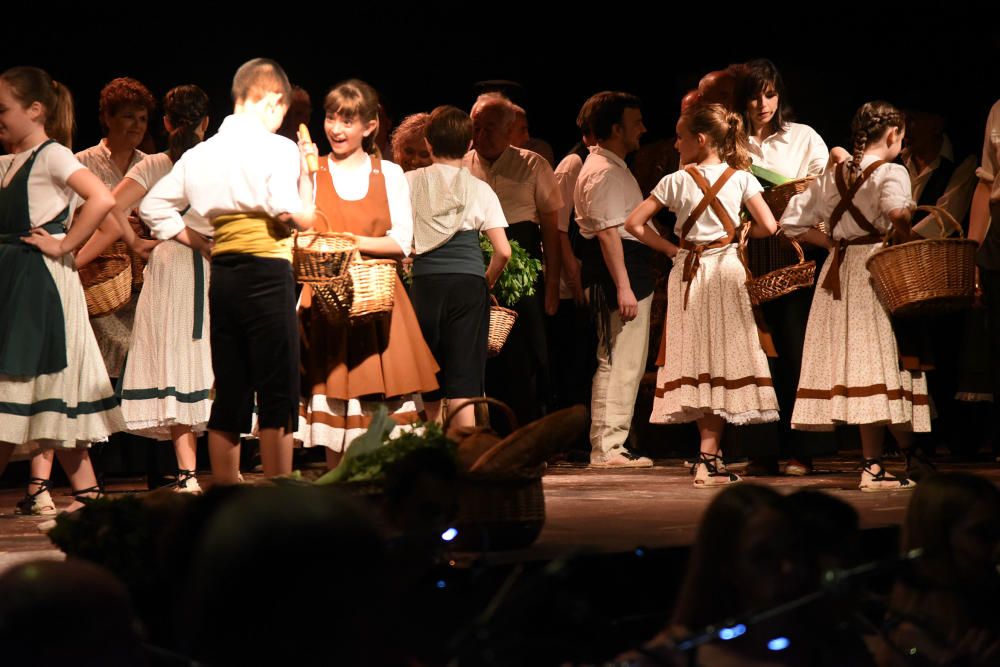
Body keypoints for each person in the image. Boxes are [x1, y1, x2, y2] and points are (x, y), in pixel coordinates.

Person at [140, 58, 317, 484]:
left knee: (231, 385)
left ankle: (224, 494)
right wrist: (309, 175)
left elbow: (151, 207)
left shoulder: (203, 152)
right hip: (267, 272)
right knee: (277, 386)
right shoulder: (279, 148)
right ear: (272, 99)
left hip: (225, 276)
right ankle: (280, 497)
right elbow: (296, 214)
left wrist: (199, 241)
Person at [625, 103, 778, 487]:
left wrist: (670, 250)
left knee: (699, 360)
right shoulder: (742, 178)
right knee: (722, 360)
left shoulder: (675, 181)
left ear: (700, 139)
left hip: (690, 272)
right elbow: (769, 225)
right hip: (725, 269)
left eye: (680, 137)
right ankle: (709, 458)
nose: (675, 144)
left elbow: (634, 224)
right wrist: (741, 233)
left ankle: (708, 456)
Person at [781, 100, 928, 491]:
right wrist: (905, 233)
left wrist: (831, 243)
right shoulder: (893, 171)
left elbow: (790, 222)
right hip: (876, 269)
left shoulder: (833, 176)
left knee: (876, 367)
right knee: (877, 366)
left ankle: (907, 455)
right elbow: (898, 214)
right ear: (894, 134)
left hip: (839, 270)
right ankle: (873, 467)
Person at [0, 66, 124, 515]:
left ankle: (86, 498)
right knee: (40, 394)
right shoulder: (7, 161)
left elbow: (103, 200)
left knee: (19, 389)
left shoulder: (52, 155)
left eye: (4, 109)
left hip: (41, 283)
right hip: (15, 279)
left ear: (35, 111)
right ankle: (90, 498)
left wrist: (66, 245)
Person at [297, 79, 438, 467]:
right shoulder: (313, 171)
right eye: (330, 118)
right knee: (335, 403)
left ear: (369, 125)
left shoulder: (388, 173)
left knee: (387, 419)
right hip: (328, 300)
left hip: (379, 302)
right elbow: (303, 234)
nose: (336, 129)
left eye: (347, 120)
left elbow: (401, 242)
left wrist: (346, 240)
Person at [78, 85, 212, 493]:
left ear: (167, 123)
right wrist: (133, 242)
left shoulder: (156, 163)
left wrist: (136, 242)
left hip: (172, 264)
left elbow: (106, 204)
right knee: (207, 359)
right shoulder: (214, 158)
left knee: (179, 362)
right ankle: (223, 469)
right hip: (214, 262)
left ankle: (188, 472)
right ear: (206, 123)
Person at [733, 58, 834, 477]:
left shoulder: (803, 137)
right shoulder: (732, 141)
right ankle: (761, 448)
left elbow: (823, 190)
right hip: (746, 258)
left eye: (770, 94)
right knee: (756, 354)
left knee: (794, 351)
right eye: (755, 95)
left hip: (795, 256)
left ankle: (801, 449)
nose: (763, 103)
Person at [407, 105, 510, 435]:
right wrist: (486, 284)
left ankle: (429, 459)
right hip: (467, 286)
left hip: (424, 285)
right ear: (469, 145)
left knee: (427, 377)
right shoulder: (480, 189)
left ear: (428, 142)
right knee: (464, 382)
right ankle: (462, 466)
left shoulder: (409, 182)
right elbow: (503, 251)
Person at [463, 93, 563, 429]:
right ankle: (484, 430)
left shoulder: (533, 164)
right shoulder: (461, 166)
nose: (481, 134)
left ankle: (526, 430)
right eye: (476, 127)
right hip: (476, 265)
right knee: (479, 352)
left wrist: (551, 285)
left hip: (523, 269)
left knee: (524, 355)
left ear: (510, 130)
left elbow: (551, 229)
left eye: (490, 127)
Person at [573, 91, 654, 468]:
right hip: (616, 272)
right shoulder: (603, 171)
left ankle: (612, 444)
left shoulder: (613, 166)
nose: (643, 129)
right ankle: (608, 447)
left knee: (627, 361)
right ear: (616, 128)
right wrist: (623, 286)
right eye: (635, 122)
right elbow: (607, 233)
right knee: (616, 360)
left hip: (630, 266)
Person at [75, 77, 157, 379]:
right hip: (98, 279)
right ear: (107, 118)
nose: (137, 125)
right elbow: (70, 220)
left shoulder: (152, 165)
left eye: (142, 118)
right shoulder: (80, 164)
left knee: (136, 365)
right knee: (98, 368)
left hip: (139, 282)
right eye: (128, 116)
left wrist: (145, 223)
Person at [878, 473, 1000, 666]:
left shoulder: (983, 597)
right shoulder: (911, 636)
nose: (997, 548)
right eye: (983, 534)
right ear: (935, 538)